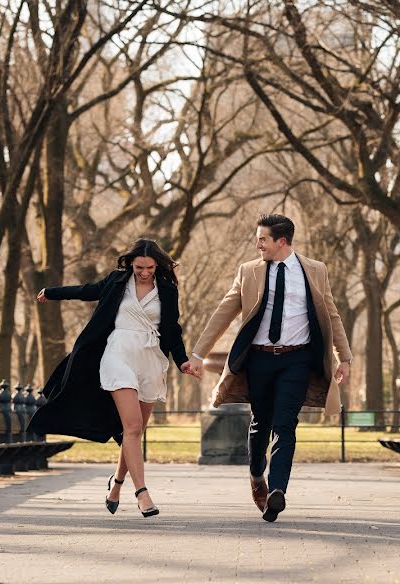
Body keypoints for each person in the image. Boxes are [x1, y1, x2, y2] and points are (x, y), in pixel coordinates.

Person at [188, 214, 352, 522]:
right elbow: (223, 312)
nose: (257, 244)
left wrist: (344, 356)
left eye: (263, 239)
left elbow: (331, 315)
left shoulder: (315, 271)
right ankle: (255, 475)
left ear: (282, 241)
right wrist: (198, 354)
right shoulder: (249, 272)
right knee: (261, 422)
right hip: (260, 358)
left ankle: (278, 490)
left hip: (298, 359)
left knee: (285, 424)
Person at [28, 238, 195, 518]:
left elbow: (171, 329)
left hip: (151, 358)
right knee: (132, 425)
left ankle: (116, 484)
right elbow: (85, 291)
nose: (144, 272)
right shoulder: (117, 282)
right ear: (131, 263)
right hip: (118, 354)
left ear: (157, 265)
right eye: (139, 266)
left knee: (134, 430)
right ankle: (142, 493)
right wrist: (52, 293)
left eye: (149, 267)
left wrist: (183, 361)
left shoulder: (167, 288)